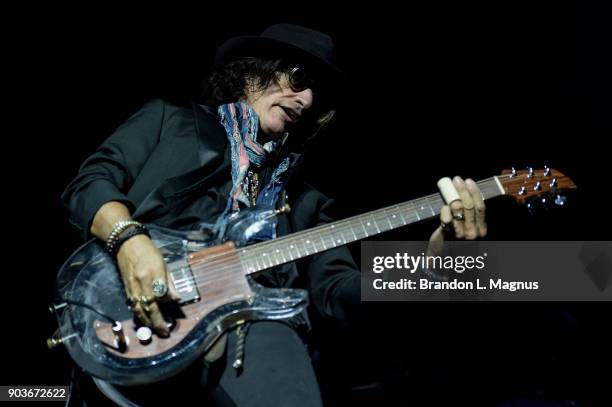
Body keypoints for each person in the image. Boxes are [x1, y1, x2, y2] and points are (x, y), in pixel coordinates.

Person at [61, 24, 487, 406]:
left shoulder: (306, 200)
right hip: (129, 317)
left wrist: (434, 264)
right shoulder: (169, 121)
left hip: (251, 333)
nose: (306, 99)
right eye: (298, 80)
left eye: (316, 93)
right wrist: (130, 243)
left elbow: (338, 294)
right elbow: (89, 184)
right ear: (251, 71)